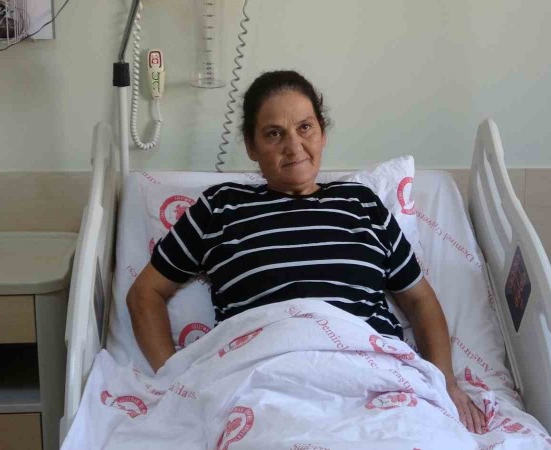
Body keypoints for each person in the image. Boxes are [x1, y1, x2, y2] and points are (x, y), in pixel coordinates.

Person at [126, 70, 486, 433]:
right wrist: (175, 380)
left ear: (323, 133)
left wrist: (446, 383)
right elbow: (145, 293)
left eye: (305, 127)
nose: (294, 146)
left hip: (375, 380)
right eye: (274, 134)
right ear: (251, 146)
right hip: (259, 383)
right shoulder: (221, 207)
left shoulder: (362, 205)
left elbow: (420, 300)